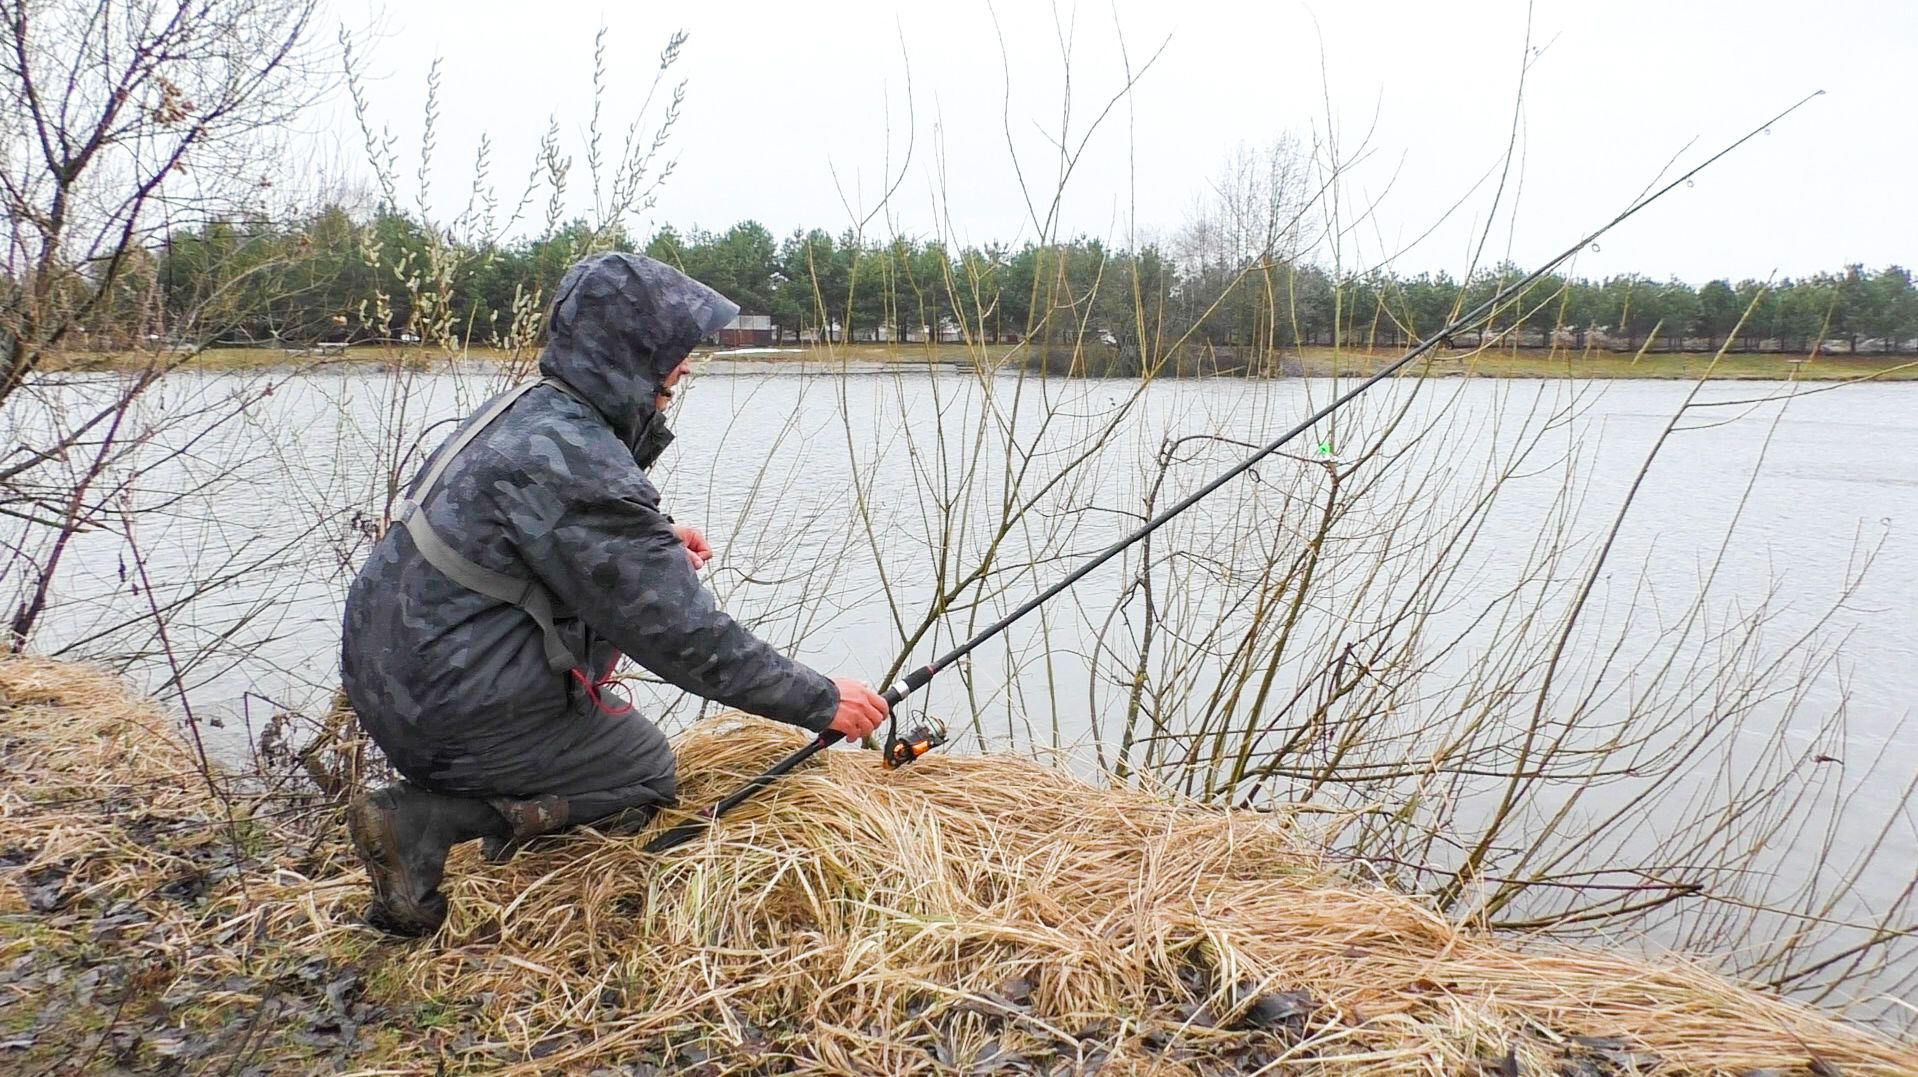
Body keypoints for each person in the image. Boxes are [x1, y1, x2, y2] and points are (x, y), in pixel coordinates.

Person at [339, 251, 889, 936]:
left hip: (391, 685)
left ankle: (501, 802)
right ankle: (427, 820)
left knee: (598, 713)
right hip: (443, 708)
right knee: (645, 768)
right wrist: (820, 698)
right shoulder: (577, 458)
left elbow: (548, 538)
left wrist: (653, 541)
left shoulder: (529, 413)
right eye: (672, 351)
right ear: (627, 353)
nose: (685, 367)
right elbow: (684, 638)